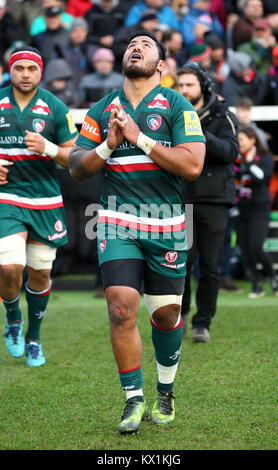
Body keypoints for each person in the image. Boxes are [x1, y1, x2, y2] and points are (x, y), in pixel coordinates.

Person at [69, 30, 206, 434]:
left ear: (161, 65)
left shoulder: (177, 105)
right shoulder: (102, 107)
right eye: (131, 44)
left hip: (166, 222)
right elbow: (77, 166)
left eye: (146, 45)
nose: (136, 47)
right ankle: (133, 399)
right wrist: (108, 146)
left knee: (166, 315)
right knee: (120, 306)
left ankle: (165, 391)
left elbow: (192, 164)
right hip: (116, 218)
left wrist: (139, 138)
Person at [0, 46, 78, 366]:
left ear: (40, 72)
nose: (26, 74)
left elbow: (75, 157)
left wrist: (48, 147)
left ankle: (34, 336)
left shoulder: (55, 107)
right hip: (8, 197)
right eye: (20, 69)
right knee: (9, 265)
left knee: (40, 274)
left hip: (46, 200)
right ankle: (13, 317)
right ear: (11, 70)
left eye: (32, 69)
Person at [177, 62, 239, 342]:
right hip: (183, 200)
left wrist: (202, 135)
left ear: (203, 86)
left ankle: (202, 323)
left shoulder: (222, 114)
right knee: (181, 264)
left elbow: (231, 152)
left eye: (189, 84)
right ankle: (178, 317)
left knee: (211, 266)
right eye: (180, 85)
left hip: (214, 200)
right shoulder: (173, 113)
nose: (184, 90)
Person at [234, 126, 278, 298]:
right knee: (245, 250)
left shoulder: (265, 157)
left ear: (252, 140)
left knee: (256, 247)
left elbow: (262, 177)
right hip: (241, 209)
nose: (239, 143)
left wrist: (251, 162)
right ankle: (256, 285)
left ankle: (274, 278)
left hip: (259, 209)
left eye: (241, 140)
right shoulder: (237, 158)